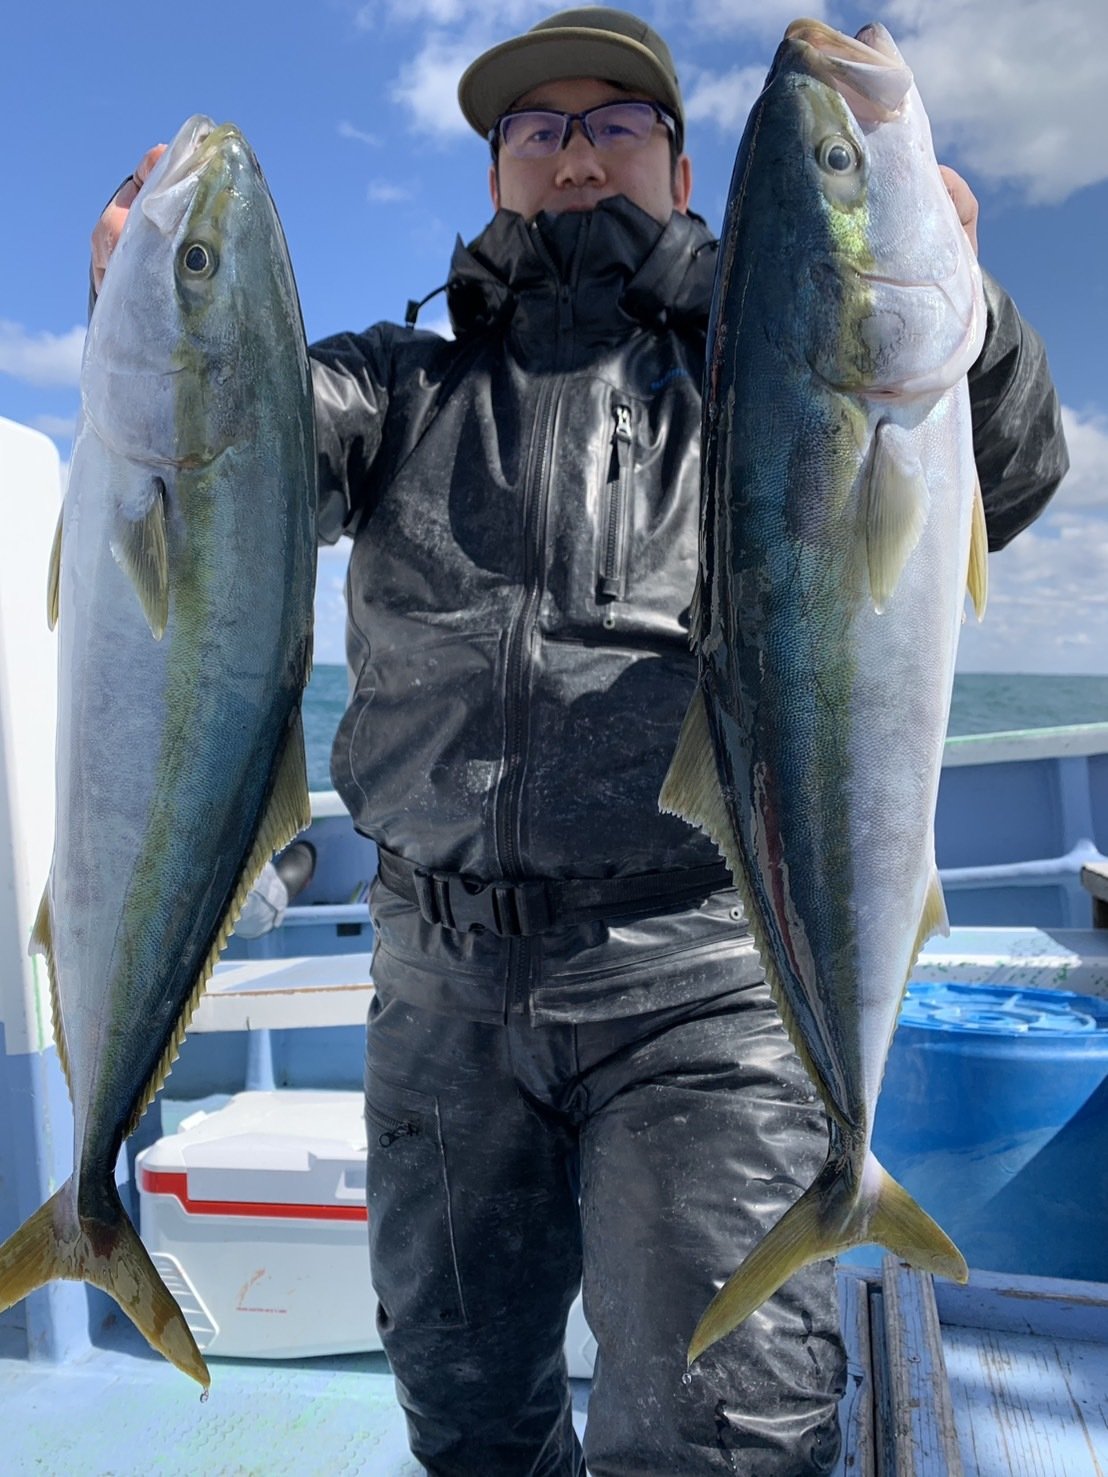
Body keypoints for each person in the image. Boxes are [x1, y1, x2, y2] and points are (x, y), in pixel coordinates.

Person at [92, 9, 1069, 1473]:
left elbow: (1011, 469)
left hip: (702, 990)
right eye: (536, 130)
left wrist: (964, 309)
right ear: (495, 170)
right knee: (470, 1421)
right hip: (439, 994)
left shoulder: (763, 371)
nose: (573, 156)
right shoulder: (398, 386)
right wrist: (143, 305)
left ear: (681, 167)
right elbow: (230, 450)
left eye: (614, 123)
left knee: (721, 1436)